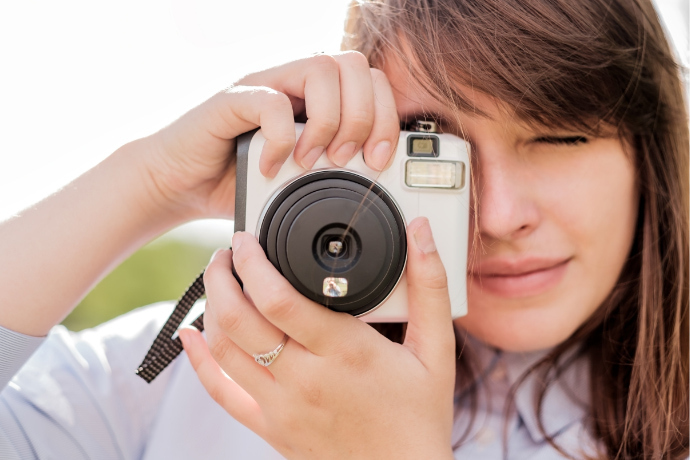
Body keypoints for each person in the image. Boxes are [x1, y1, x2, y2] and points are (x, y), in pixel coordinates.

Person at [0, 0, 687, 458]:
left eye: (561, 138)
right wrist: (147, 181)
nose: (502, 216)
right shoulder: (197, 370)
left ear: (647, 153)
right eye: (432, 149)